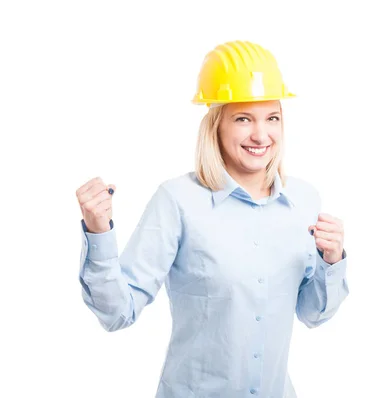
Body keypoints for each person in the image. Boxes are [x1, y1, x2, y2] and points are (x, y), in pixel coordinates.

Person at [75, 40, 349, 397]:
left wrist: (332, 261)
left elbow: (314, 314)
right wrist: (99, 232)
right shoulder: (178, 200)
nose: (260, 135)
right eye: (243, 118)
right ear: (216, 125)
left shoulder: (304, 199)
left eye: (272, 118)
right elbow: (118, 313)